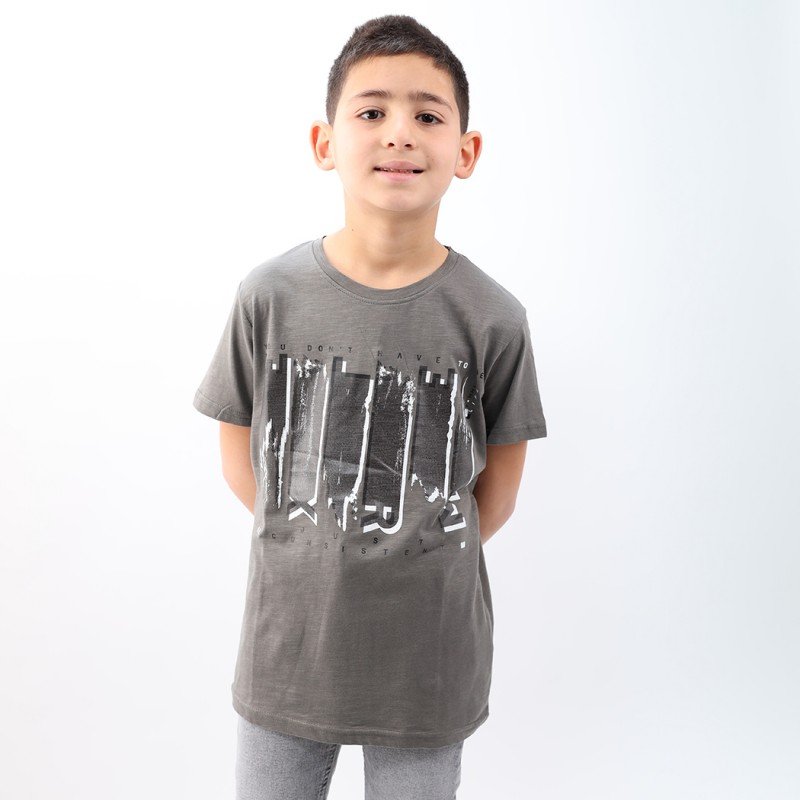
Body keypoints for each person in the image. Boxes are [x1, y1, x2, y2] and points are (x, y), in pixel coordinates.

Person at [192, 13, 548, 800]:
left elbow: (496, 495)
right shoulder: (268, 296)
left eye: (428, 115)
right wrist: (316, 539)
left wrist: (406, 548)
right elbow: (239, 453)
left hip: (428, 661)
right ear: (325, 142)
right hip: (288, 651)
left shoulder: (493, 319)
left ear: (466, 152)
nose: (399, 133)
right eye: (372, 111)